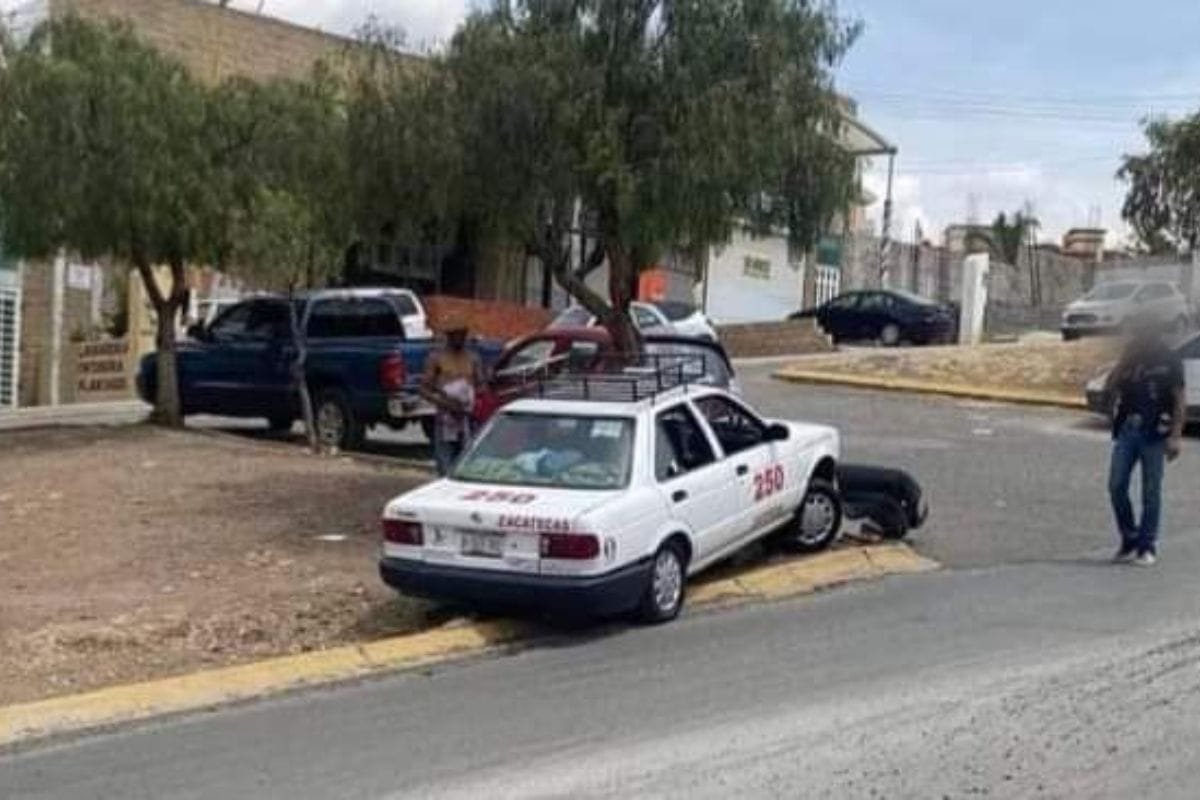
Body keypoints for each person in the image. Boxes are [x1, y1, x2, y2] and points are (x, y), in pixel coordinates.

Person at [1105, 323, 1185, 566]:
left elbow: (1179, 398)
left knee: (1151, 491)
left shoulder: (1169, 359)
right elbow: (1110, 387)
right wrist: (1123, 362)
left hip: (1155, 433)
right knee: (1116, 485)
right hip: (1128, 429)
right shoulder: (1130, 358)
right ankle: (1129, 537)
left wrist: (1175, 435)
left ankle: (1146, 545)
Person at [421, 316, 484, 476]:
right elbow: (424, 390)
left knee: (466, 464)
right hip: (446, 419)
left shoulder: (473, 358)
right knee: (445, 465)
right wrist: (444, 404)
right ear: (449, 335)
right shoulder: (437, 358)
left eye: (463, 334)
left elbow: (481, 386)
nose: (460, 338)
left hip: (467, 419)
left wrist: (473, 403)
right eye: (457, 334)